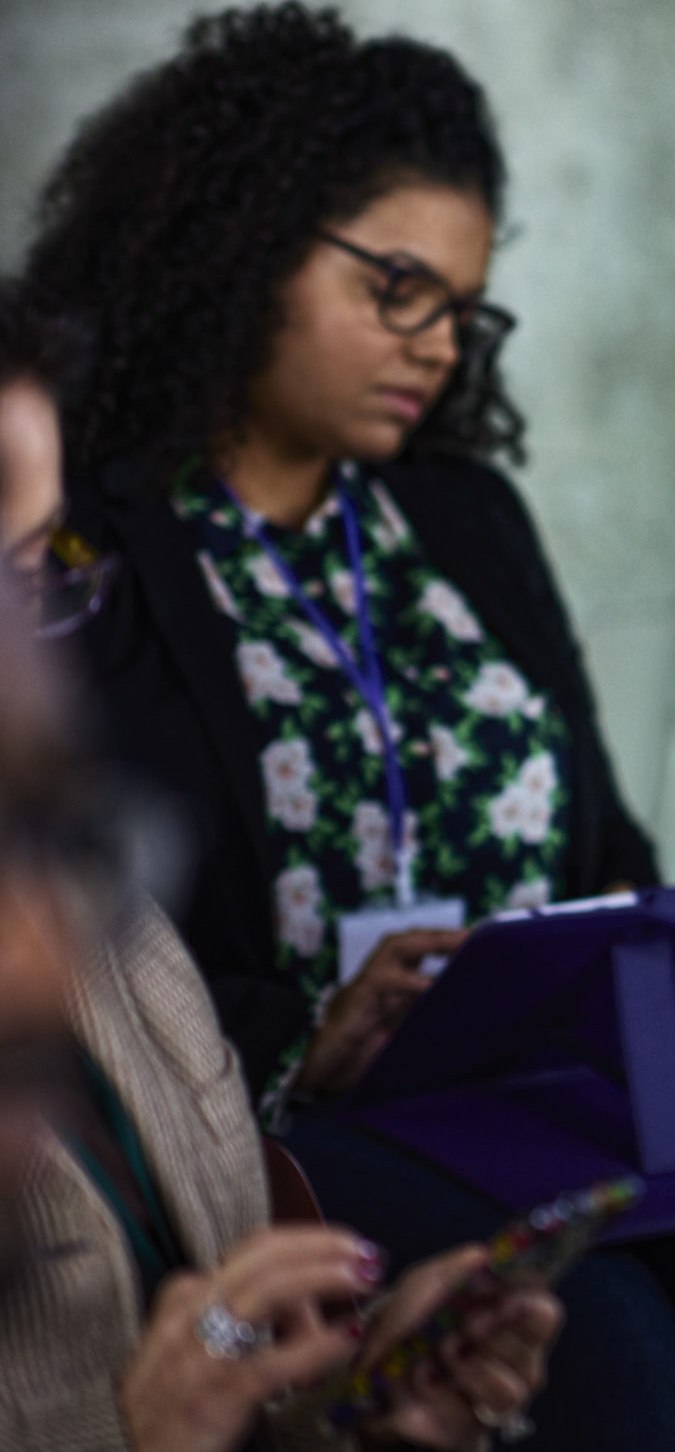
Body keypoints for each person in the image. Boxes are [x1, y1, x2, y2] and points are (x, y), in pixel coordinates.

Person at [25, 4, 675, 1450]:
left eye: (460, 309)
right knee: (616, 1375)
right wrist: (317, 1033)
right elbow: (103, 948)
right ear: (243, 252)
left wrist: (614, 956)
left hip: (558, 1100)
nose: (433, 345)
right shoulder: (95, 555)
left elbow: (606, 844)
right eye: (394, 290)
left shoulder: (461, 519)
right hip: (308, 1128)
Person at [0, 278, 562, 1450]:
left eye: (39, 567)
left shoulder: (97, 911)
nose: (39, 663)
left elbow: (217, 1362)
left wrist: (352, 1406)